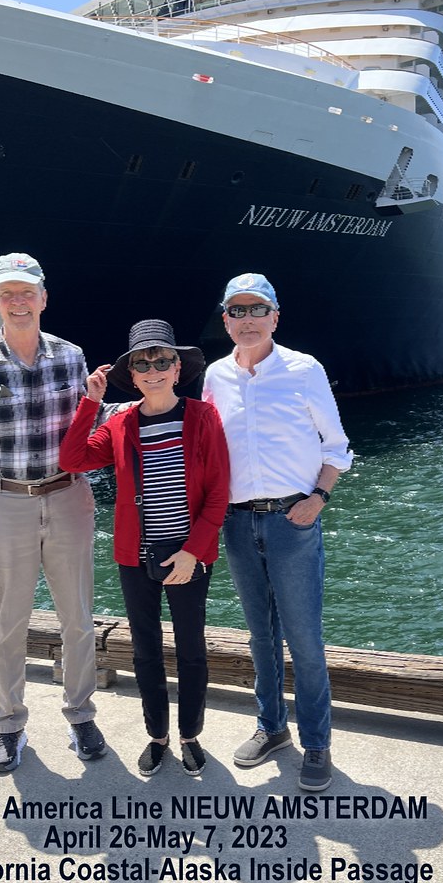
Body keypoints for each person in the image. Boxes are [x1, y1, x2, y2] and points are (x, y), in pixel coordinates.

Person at [0, 252, 111, 773]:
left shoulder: (71, 357)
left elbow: (92, 430)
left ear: (43, 298)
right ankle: (9, 723)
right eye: (7, 294)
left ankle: (81, 714)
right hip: (4, 503)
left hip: (68, 497)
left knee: (78, 618)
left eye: (26, 293)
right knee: (6, 623)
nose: (17, 302)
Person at [203, 272, 353, 792]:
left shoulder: (304, 369)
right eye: (237, 311)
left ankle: (317, 742)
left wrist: (319, 499)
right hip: (237, 520)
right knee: (260, 636)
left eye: (257, 310)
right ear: (226, 320)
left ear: (275, 317)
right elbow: (208, 447)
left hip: (293, 519)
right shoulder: (216, 376)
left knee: (304, 638)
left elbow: (336, 445)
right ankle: (271, 727)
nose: (247, 320)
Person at [59, 320, 229, 777]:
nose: (153, 370)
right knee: (145, 650)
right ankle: (158, 736)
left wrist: (194, 552)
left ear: (178, 369)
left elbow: (218, 492)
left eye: (162, 361)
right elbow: (72, 459)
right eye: (142, 364)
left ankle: (190, 735)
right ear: (131, 376)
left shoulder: (203, 417)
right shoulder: (119, 424)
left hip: (189, 554)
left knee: (191, 648)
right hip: (136, 556)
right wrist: (90, 402)